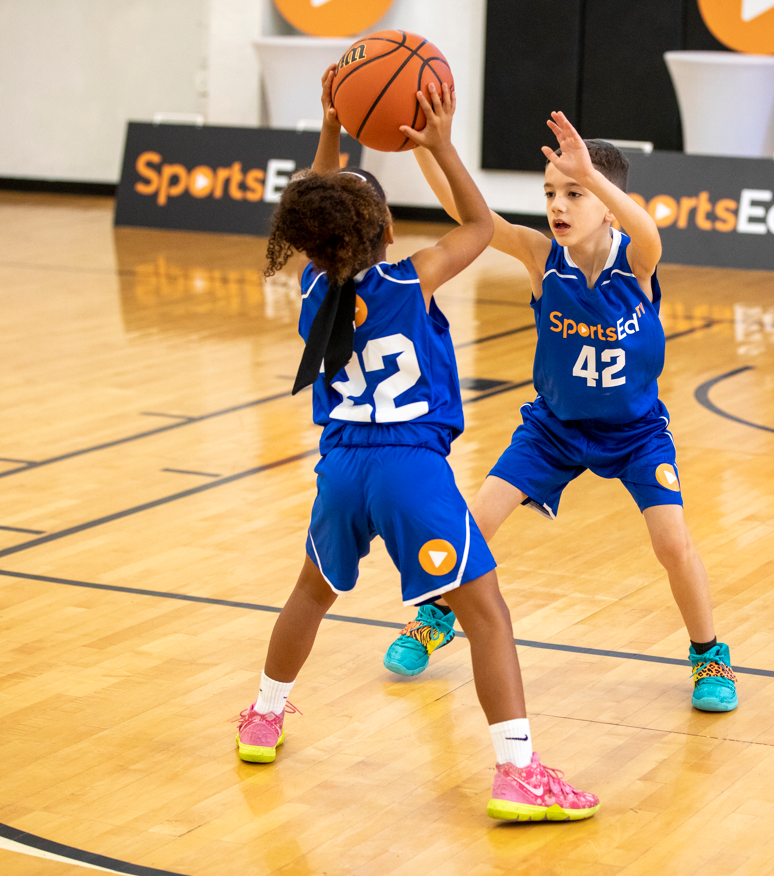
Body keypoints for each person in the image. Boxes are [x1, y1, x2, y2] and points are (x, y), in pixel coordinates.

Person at [234, 68, 599, 823]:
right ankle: (517, 773)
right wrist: (441, 144)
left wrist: (332, 127)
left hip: (341, 469)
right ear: (388, 231)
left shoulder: (312, 288)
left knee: (311, 592)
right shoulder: (411, 280)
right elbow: (478, 224)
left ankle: (264, 716)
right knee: (485, 614)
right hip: (410, 471)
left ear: (309, 240)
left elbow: (317, 206)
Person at [387, 112, 738, 712]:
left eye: (574, 193)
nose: (557, 204)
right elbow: (466, 211)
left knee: (672, 543)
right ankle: (436, 616)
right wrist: (431, 145)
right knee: (475, 520)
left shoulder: (638, 261)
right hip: (553, 427)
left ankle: (710, 656)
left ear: (608, 205)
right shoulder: (540, 257)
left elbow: (647, 228)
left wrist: (592, 177)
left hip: (635, 433)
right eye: (550, 192)